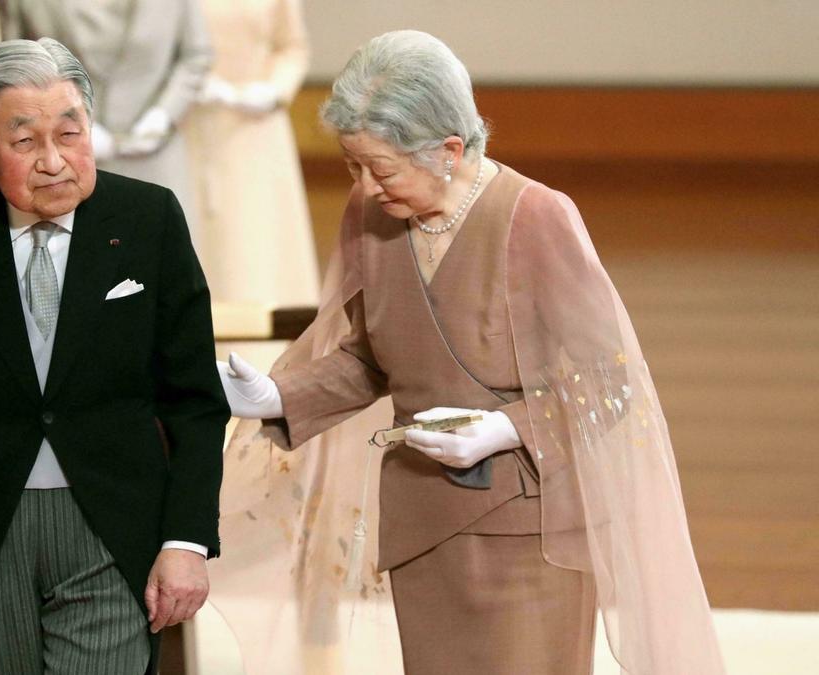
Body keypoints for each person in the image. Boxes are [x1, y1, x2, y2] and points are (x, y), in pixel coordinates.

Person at [215, 30, 725, 674]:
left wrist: (499, 429)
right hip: (422, 519)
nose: (367, 186)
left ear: (449, 150)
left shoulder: (537, 217)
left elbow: (609, 386)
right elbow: (372, 358)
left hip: (528, 528)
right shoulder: (371, 215)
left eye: (382, 168)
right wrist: (280, 395)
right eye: (353, 166)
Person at [0, 38, 229, 675]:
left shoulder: (148, 219)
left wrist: (186, 540)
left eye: (70, 132)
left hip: (112, 522)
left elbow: (196, 401)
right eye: (24, 142)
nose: (54, 161)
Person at [0, 0, 211, 236]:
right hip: (67, 164)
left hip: (157, 157)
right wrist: (70, 123)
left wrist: (165, 113)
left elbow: (195, 56)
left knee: (162, 256)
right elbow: (15, 70)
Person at [182, 0, 320, 306]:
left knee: (255, 247)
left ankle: (260, 349)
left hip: (255, 128)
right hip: (188, 124)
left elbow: (293, 48)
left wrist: (272, 90)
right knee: (192, 239)